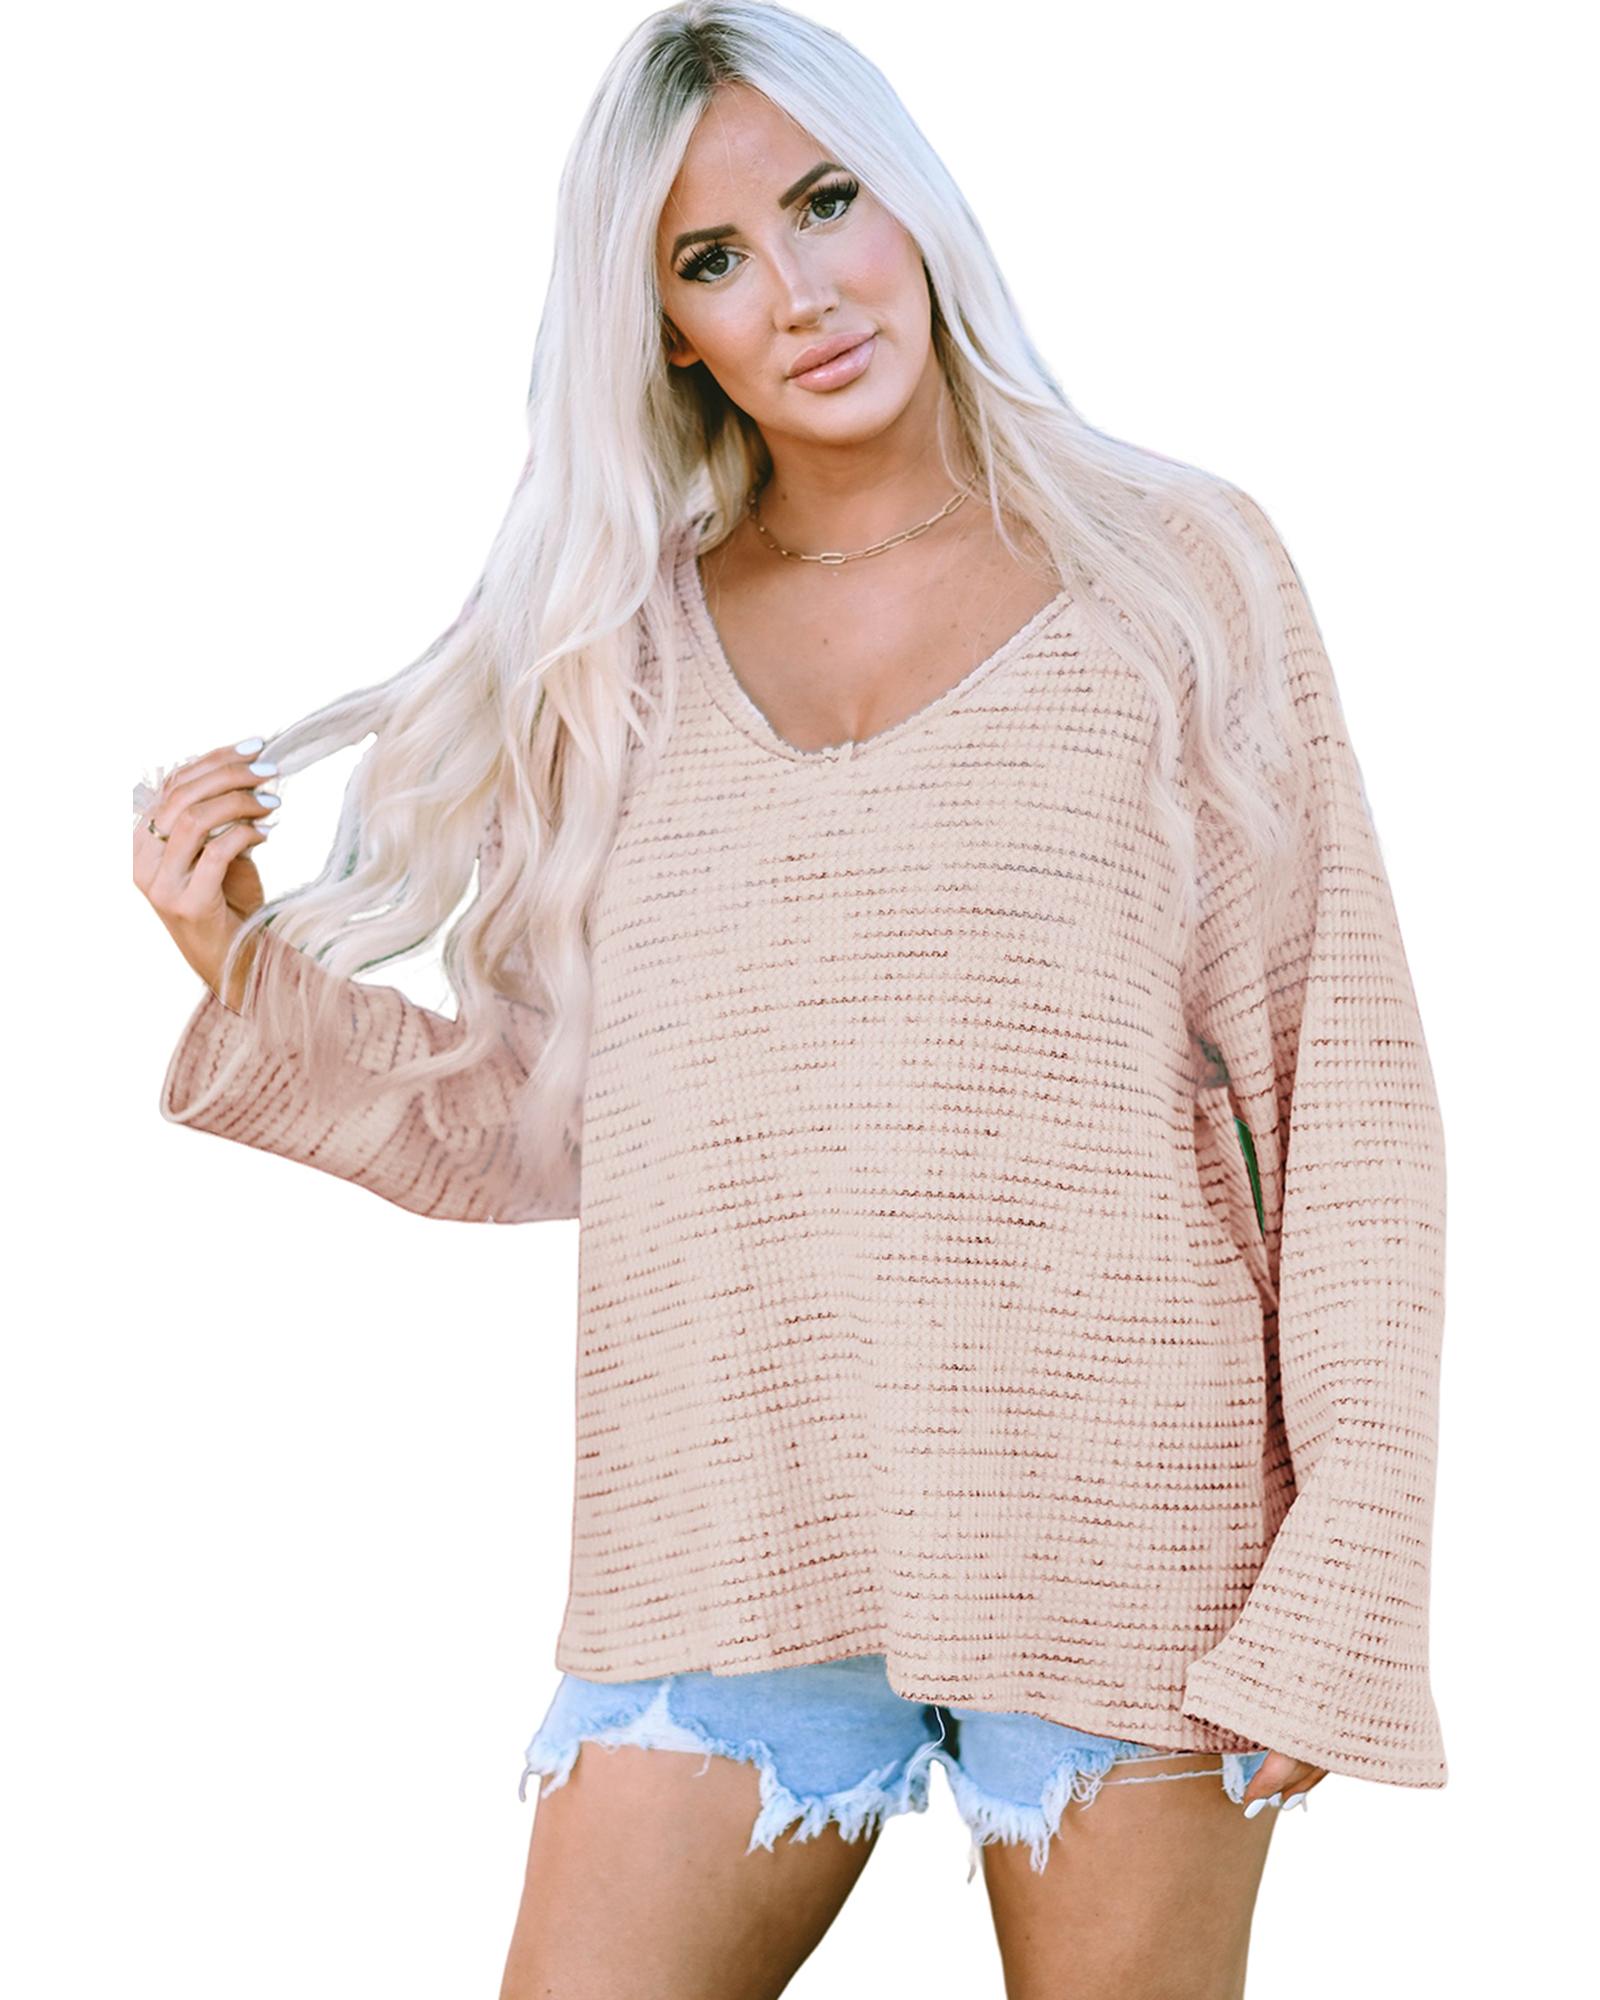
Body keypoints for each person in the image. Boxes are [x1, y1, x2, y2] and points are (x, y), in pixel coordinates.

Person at [131, 5, 1449, 1995]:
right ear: (666, 329)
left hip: (1122, 1526)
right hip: (731, 1516)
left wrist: (1345, 1565)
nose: (801, 291)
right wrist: (234, 959)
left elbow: (1340, 1094)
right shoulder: (619, 654)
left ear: (908, 200)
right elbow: (544, 1119)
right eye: (713, 257)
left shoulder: (1175, 571)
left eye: (825, 203)